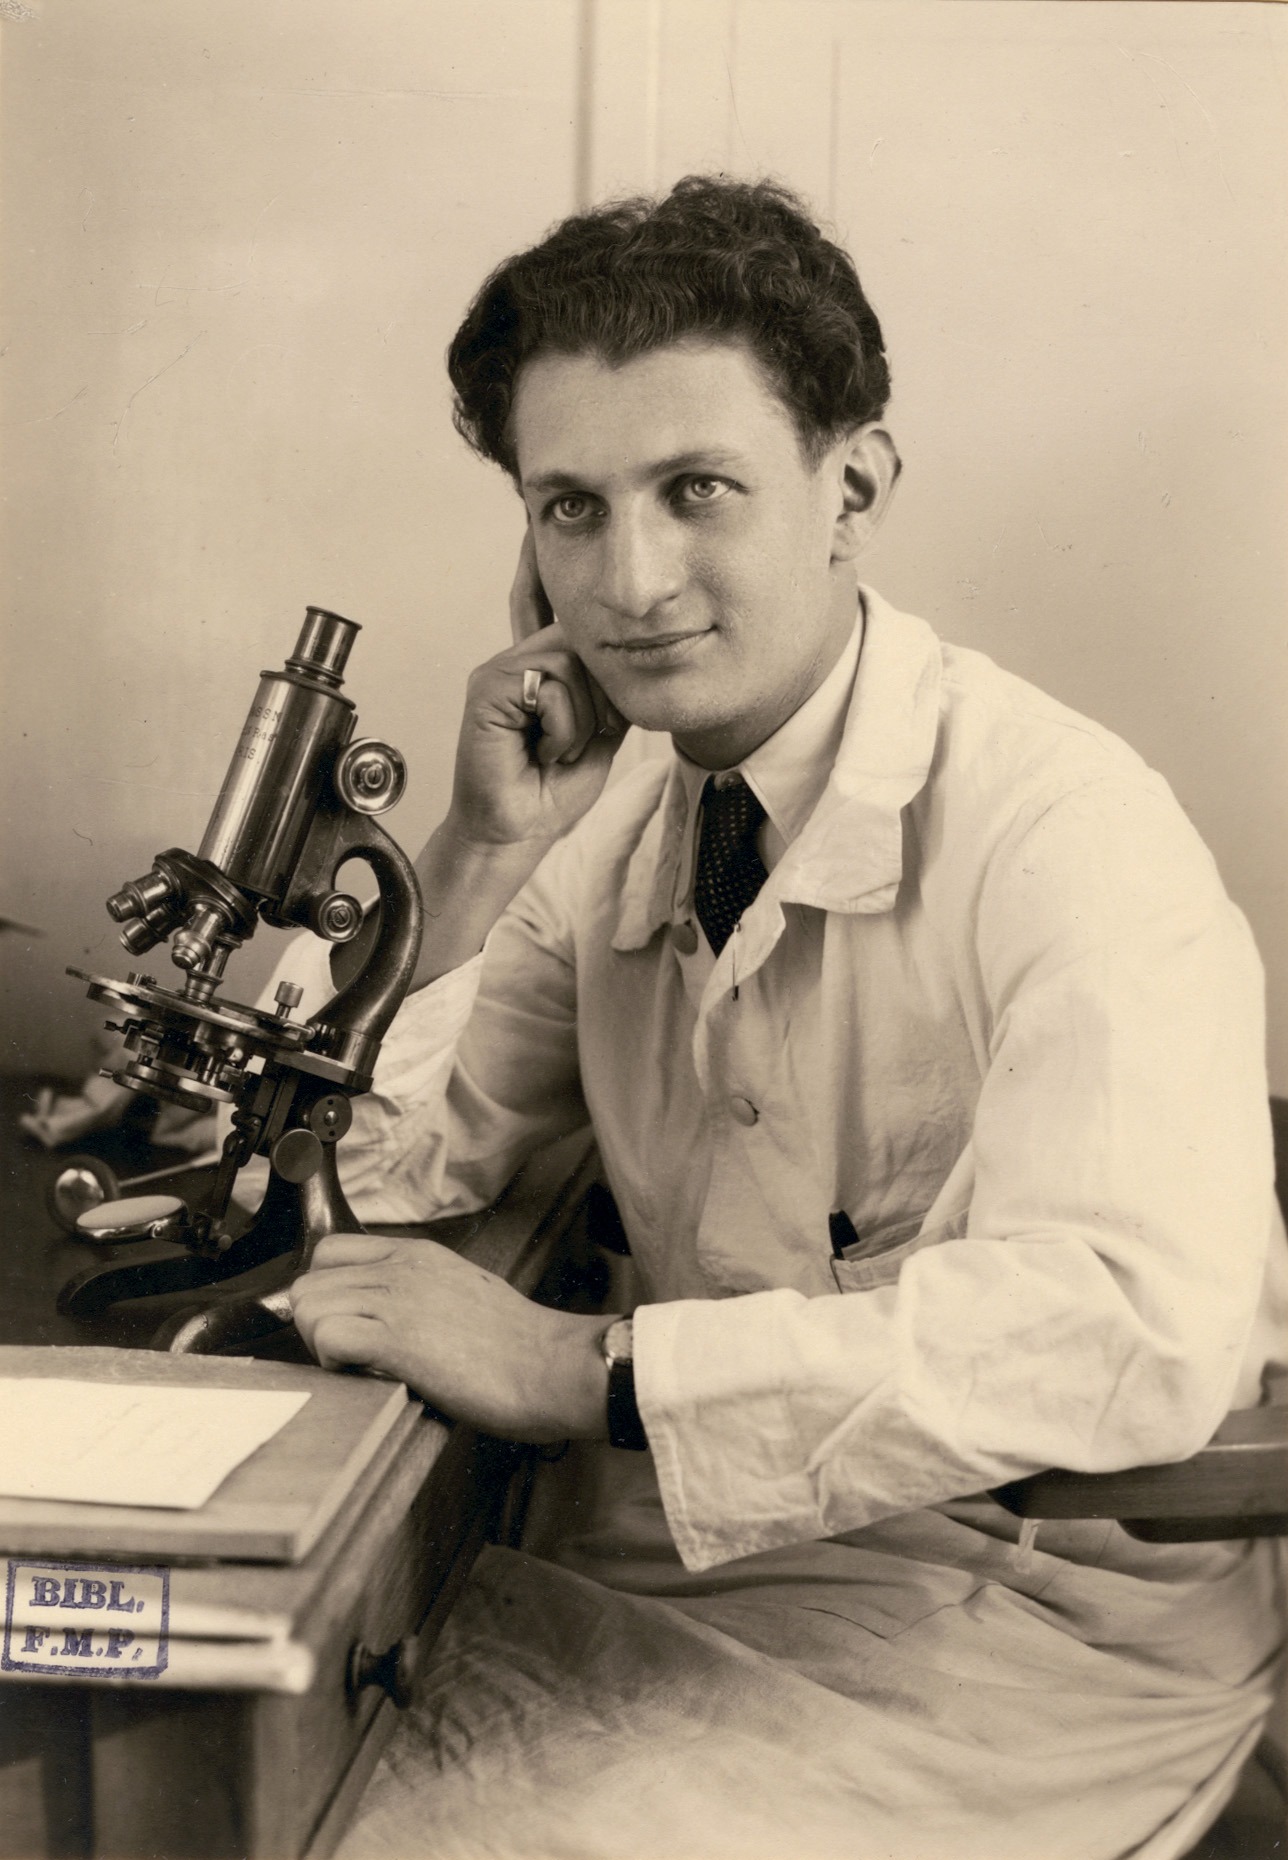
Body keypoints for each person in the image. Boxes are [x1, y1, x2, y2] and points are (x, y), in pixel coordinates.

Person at [283, 178, 1285, 1859]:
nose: (629, 580)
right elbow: (384, 1167)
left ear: (853, 489)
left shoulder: (1068, 826)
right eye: (571, 508)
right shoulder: (620, 804)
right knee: (240, 1783)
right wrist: (477, 850)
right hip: (682, 1549)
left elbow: (1129, 1331)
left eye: (697, 490)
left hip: (1026, 1608)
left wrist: (578, 1368)